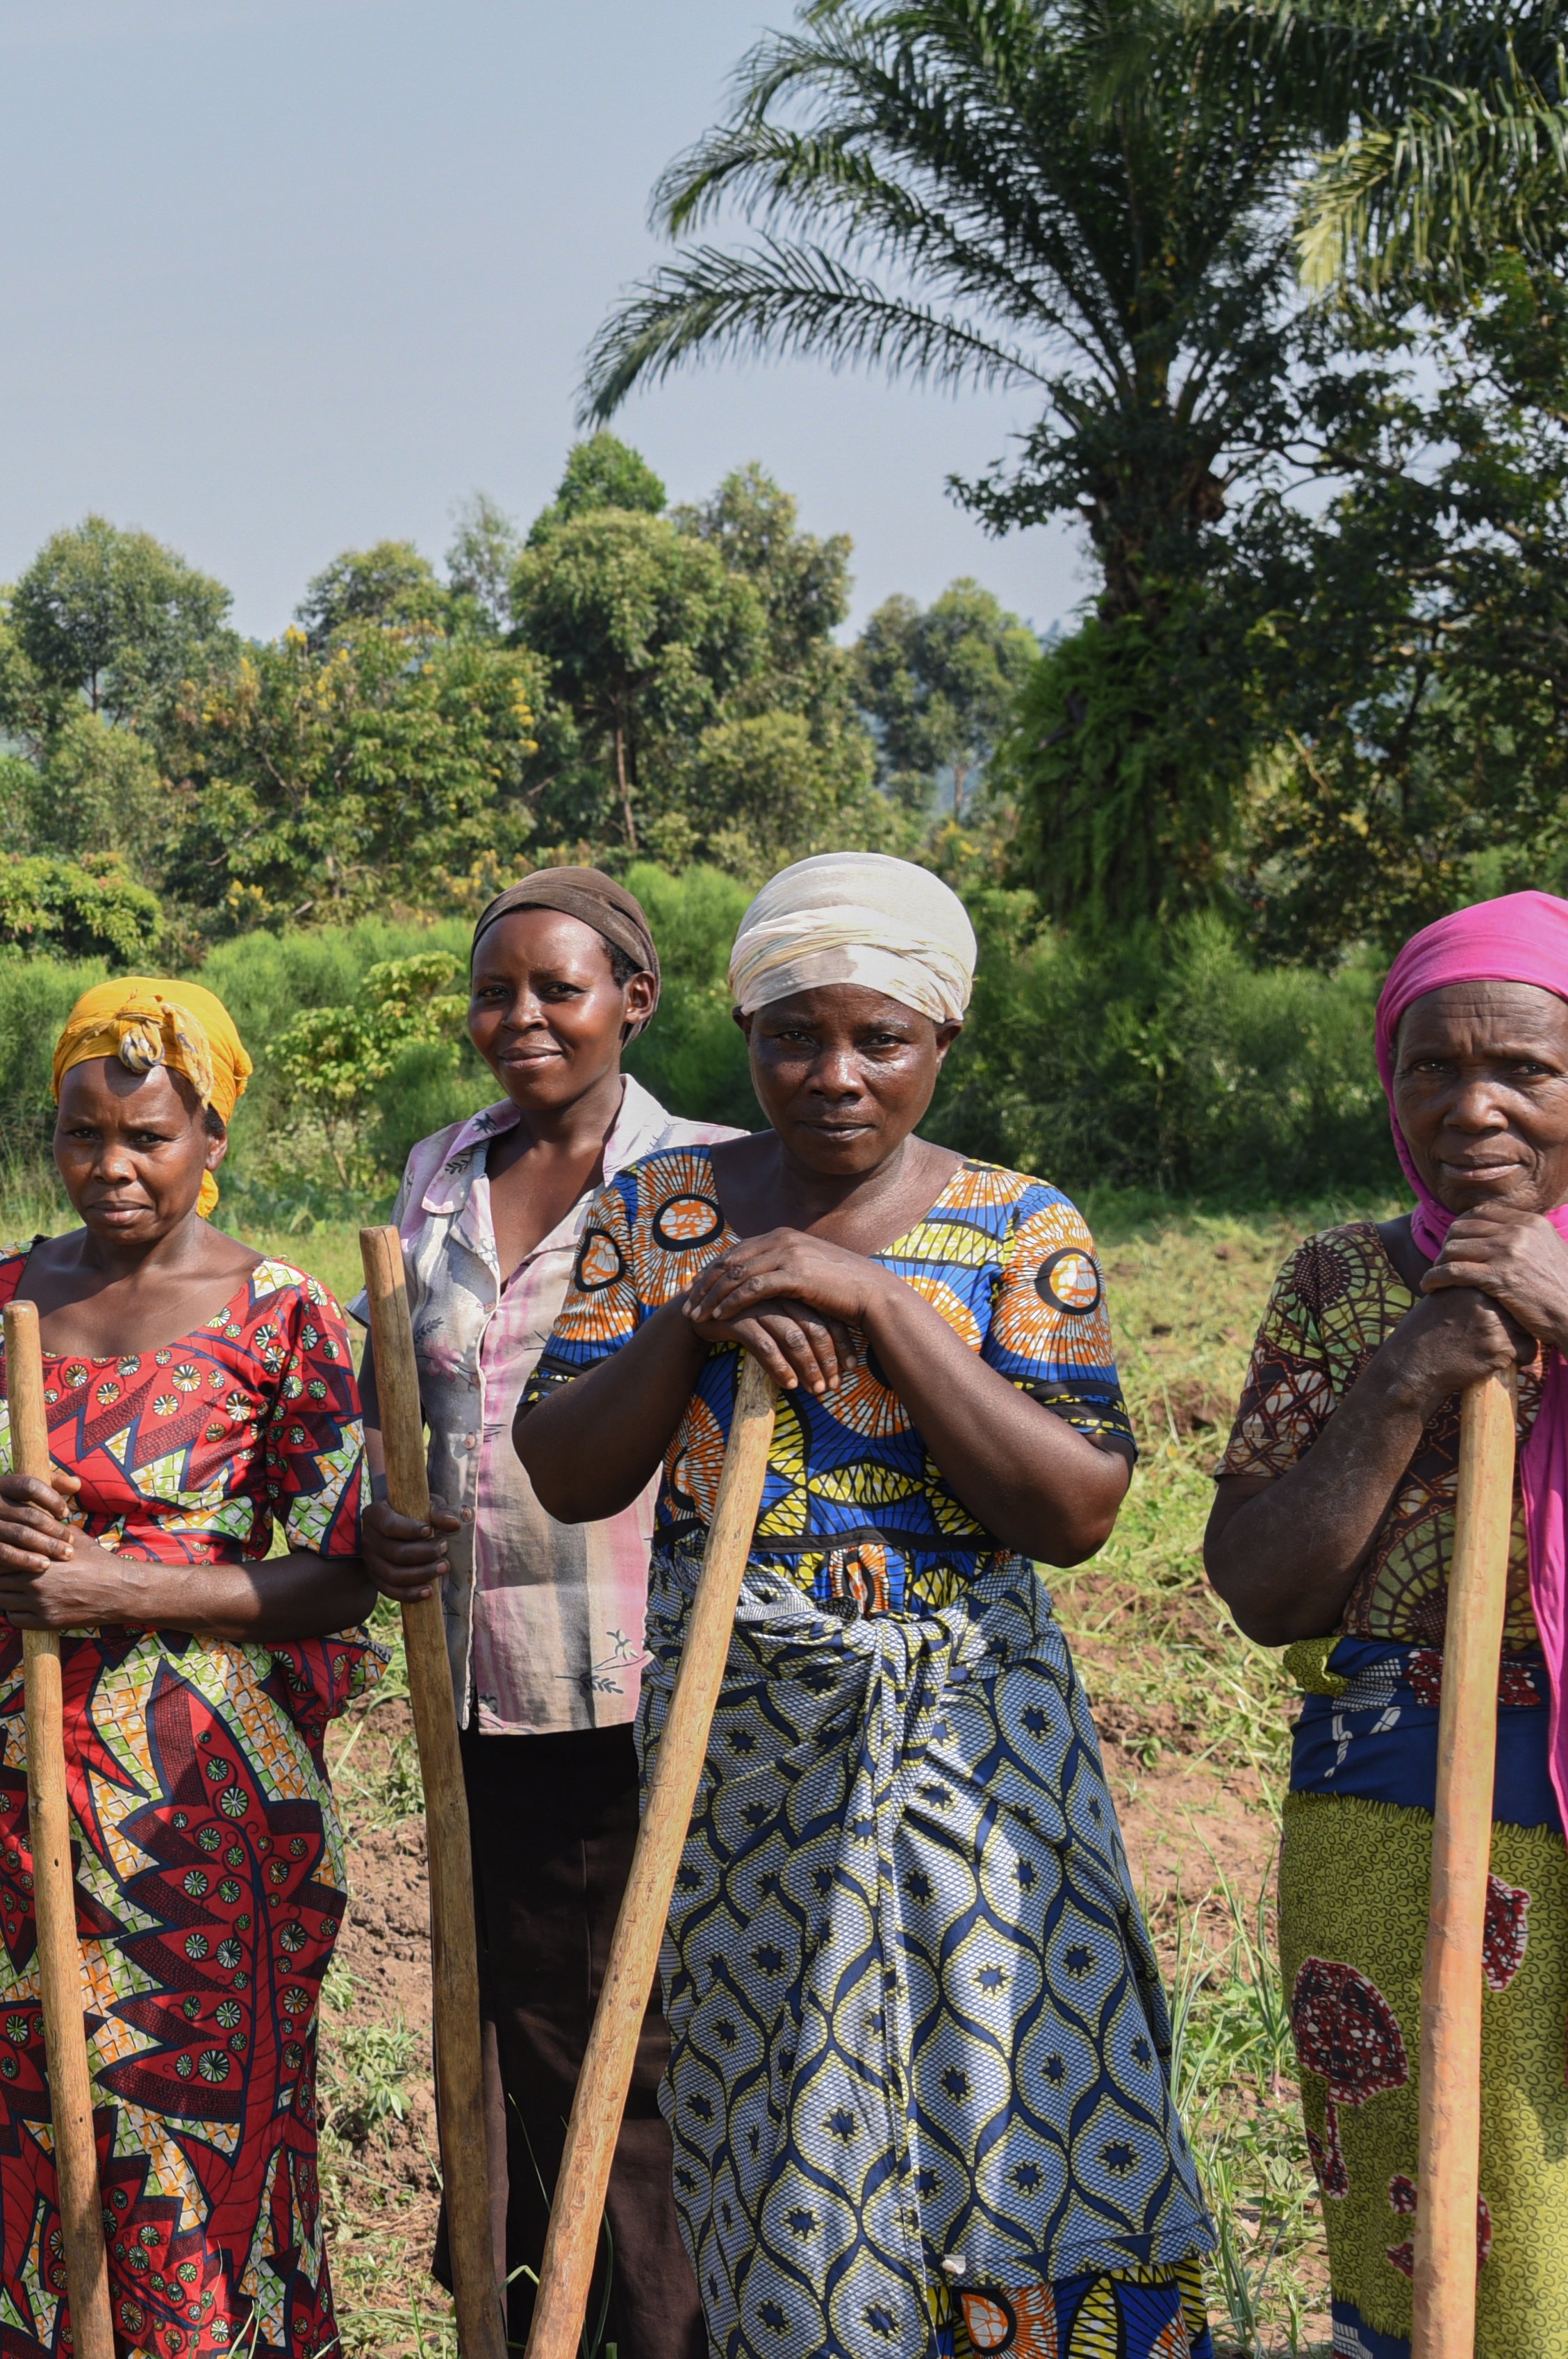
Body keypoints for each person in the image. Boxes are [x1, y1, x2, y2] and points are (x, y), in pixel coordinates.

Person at [512, 853, 1212, 2356]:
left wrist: (879, 1306)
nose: (830, 1074)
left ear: (940, 1041)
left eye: (876, 1039)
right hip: (740, 1750)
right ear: (743, 1034)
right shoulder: (659, 1211)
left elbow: (1074, 1507)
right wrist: (694, 1322)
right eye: (790, 1035)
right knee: (776, 2121)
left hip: (973, 1746)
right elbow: (563, 1470)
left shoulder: (1016, 1227)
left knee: (1011, 2087)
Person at [0, 978, 374, 2358]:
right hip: (14, 1778)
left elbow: (337, 1567)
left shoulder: (281, 1314)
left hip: (201, 1802)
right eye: (80, 1134)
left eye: (147, 1137)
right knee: (38, 2111)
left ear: (211, 1135)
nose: (110, 1167)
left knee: (194, 2120)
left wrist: (128, 1587)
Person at [352, 871, 722, 2358]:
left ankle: (648, 2328)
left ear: (632, 998)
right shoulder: (438, 1170)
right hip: (467, 1677)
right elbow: (404, 1402)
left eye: (554, 990)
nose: (518, 1019)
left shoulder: (705, 1178)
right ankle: (504, 2329)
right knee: (488, 2026)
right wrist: (380, 1512)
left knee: (618, 2049)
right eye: (493, 992)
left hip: (632, 1680)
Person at [1200, 890, 1568, 2346]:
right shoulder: (1340, 1280)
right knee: (1454, 2228)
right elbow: (1258, 1585)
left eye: (1522, 1069)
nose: (1469, 1106)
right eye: (1429, 1067)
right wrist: (1402, 1375)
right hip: (1393, 1811)